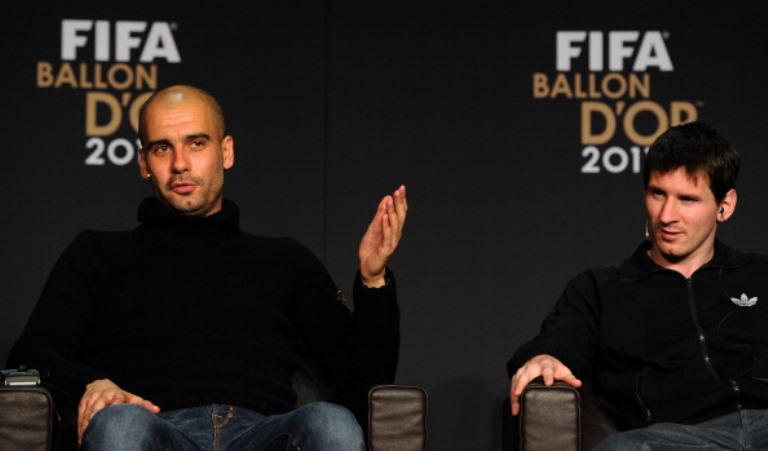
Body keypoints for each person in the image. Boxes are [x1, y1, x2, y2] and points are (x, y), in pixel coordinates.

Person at [7, 84, 408, 451]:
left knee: (332, 423)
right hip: (151, 427)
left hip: (263, 434)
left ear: (226, 151)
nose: (180, 163)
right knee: (120, 426)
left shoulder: (285, 260)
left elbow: (364, 382)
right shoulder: (97, 253)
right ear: (143, 162)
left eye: (196, 143)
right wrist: (92, 384)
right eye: (162, 148)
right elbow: (32, 352)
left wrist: (373, 281)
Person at [507, 122, 768, 450]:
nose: (666, 215)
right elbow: (559, 341)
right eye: (658, 194)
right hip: (679, 438)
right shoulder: (602, 288)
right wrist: (543, 356)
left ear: (724, 206)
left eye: (687, 199)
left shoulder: (759, 274)